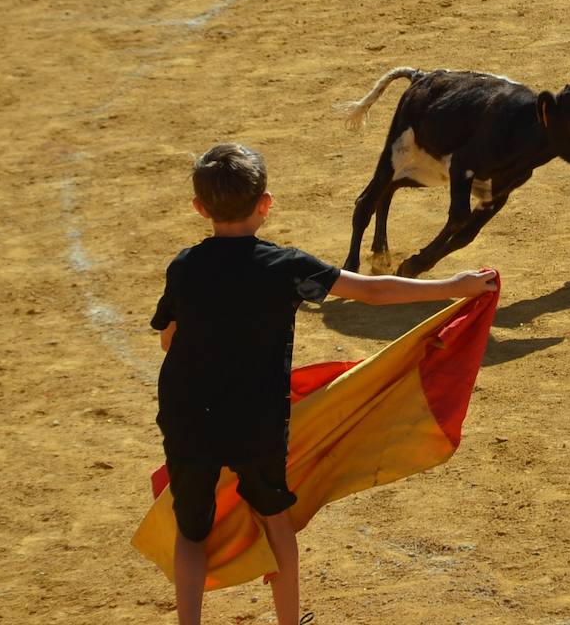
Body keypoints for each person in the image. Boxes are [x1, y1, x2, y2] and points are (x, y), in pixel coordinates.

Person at [150, 142, 497, 625]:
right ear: (265, 205)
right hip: (257, 418)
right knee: (275, 519)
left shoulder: (184, 267)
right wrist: (452, 287)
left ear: (200, 208)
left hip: (190, 414)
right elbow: (370, 291)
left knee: (192, 530)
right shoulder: (285, 266)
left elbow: (170, 340)